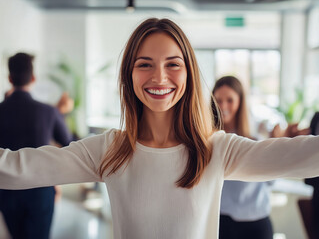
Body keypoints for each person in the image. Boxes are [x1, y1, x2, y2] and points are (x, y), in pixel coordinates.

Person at [0, 18, 319, 239]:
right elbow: (14, 169)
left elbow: (306, 155)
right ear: (129, 75)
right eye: (145, 64)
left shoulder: (217, 150)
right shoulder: (109, 150)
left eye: (172, 64)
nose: (160, 77)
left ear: (189, 74)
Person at [0, 52, 73, 239]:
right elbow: (68, 143)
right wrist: (62, 114)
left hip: (6, 191)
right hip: (40, 190)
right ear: (33, 78)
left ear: (9, 78)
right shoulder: (48, 112)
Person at [212, 76, 273, 239]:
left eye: (230, 100)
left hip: (256, 223)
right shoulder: (209, 143)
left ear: (240, 102)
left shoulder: (255, 141)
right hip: (221, 221)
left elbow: (271, 180)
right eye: (218, 99)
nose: (223, 105)